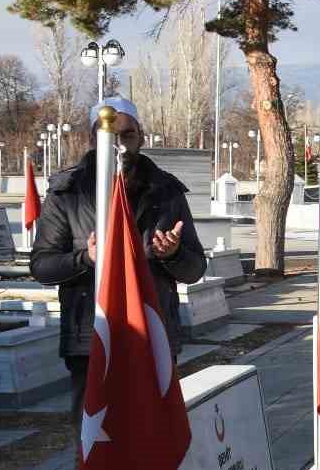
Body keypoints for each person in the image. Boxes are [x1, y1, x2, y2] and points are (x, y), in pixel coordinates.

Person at [31, 98, 206, 427]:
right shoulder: (67, 193)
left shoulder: (166, 191)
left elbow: (195, 269)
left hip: (152, 333)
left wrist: (173, 255)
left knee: (153, 437)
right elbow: (42, 267)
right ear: (93, 139)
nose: (120, 145)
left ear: (141, 137)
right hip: (92, 337)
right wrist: (87, 258)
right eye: (110, 135)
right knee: (98, 446)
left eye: (127, 135)